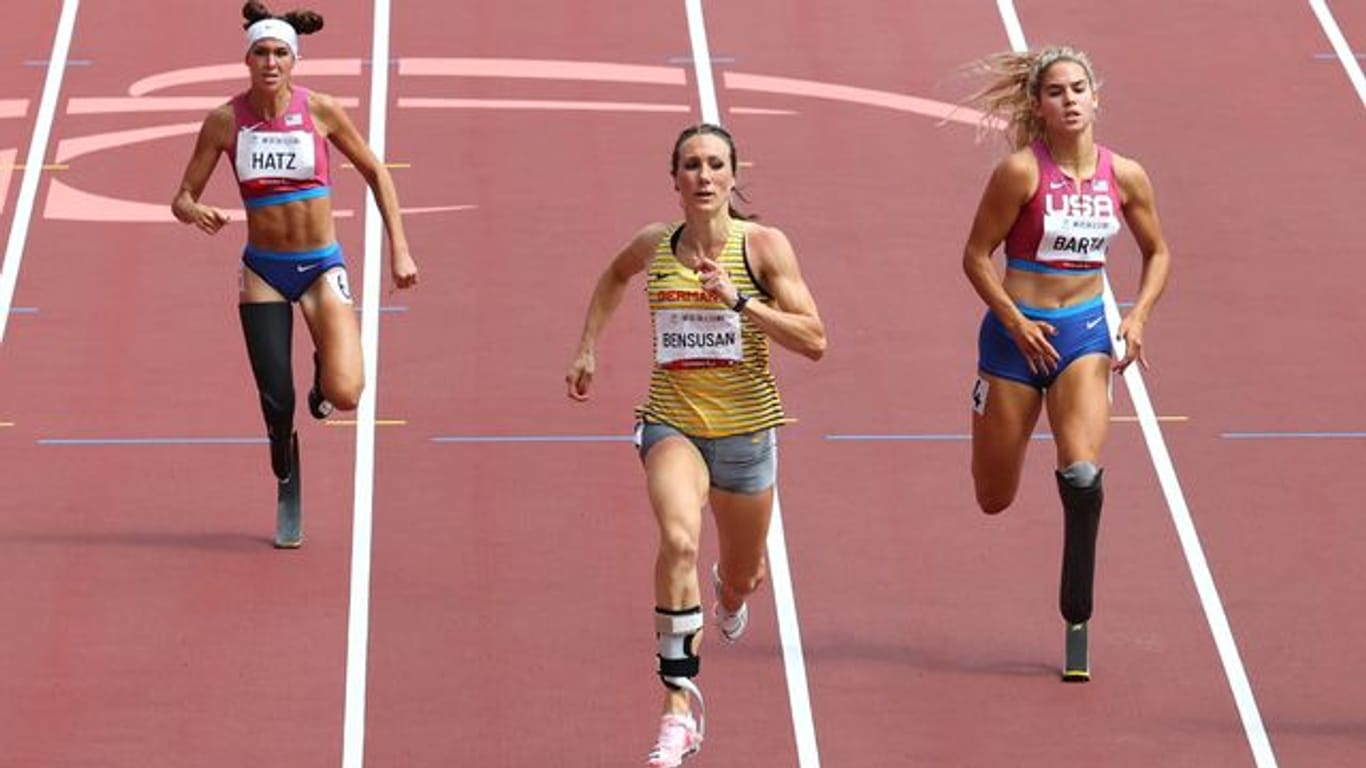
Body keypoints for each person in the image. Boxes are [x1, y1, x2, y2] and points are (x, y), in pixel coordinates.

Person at [565, 123, 826, 767]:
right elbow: (611, 278)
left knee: (744, 576)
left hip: (745, 432)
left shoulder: (763, 247)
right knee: (678, 537)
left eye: (715, 164)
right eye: (691, 165)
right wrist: (588, 346)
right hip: (671, 424)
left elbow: (814, 339)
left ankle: (730, 590)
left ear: (734, 177)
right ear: (674, 179)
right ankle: (678, 707)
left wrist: (738, 301)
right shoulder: (654, 245)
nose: (703, 176)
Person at [172, 1, 417, 548]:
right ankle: (286, 472)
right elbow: (181, 196)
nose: (271, 62)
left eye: (281, 52)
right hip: (263, 270)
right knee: (275, 402)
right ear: (247, 58)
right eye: (261, 52)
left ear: (295, 60)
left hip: (320, 264)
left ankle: (322, 374)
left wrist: (399, 249)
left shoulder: (322, 112)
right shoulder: (225, 121)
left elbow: (376, 171)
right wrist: (194, 211)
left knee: (346, 393)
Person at [961, 46, 1171, 681]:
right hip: (1014, 342)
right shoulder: (1020, 174)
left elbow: (1158, 252)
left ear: (1096, 97)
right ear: (1038, 106)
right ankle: (987, 406)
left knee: (1082, 477)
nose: (1070, 100)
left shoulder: (1125, 175)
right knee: (993, 497)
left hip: (1083, 337)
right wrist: (1015, 320)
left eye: (1079, 88)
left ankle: (1076, 611)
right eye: (1056, 92)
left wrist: (1133, 319)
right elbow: (974, 256)